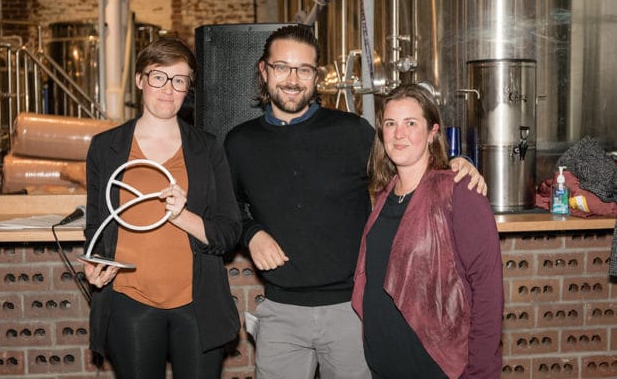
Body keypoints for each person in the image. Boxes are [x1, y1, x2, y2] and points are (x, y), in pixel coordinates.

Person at [224, 25, 487, 379]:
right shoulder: (240, 143)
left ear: (316, 76)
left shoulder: (352, 132)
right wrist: (252, 232)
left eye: (304, 69)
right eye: (282, 67)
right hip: (281, 311)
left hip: (351, 310)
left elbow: (405, 168)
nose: (292, 79)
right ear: (263, 70)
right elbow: (227, 211)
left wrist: (457, 162)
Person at [80, 37, 241, 379]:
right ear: (140, 79)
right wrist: (95, 262)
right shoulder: (105, 148)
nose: (168, 89)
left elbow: (229, 232)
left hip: (198, 304)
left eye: (179, 80)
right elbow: (97, 225)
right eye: (158, 76)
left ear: (188, 88)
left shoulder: (207, 148)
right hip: (129, 302)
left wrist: (182, 216)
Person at [351, 84, 503, 378]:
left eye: (411, 123)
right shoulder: (384, 196)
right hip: (384, 367)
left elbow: (487, 290)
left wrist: (482, 372)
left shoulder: (460, 191)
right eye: (390, 123)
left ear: (433, 131)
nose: (399, 133)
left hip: (436, 367)